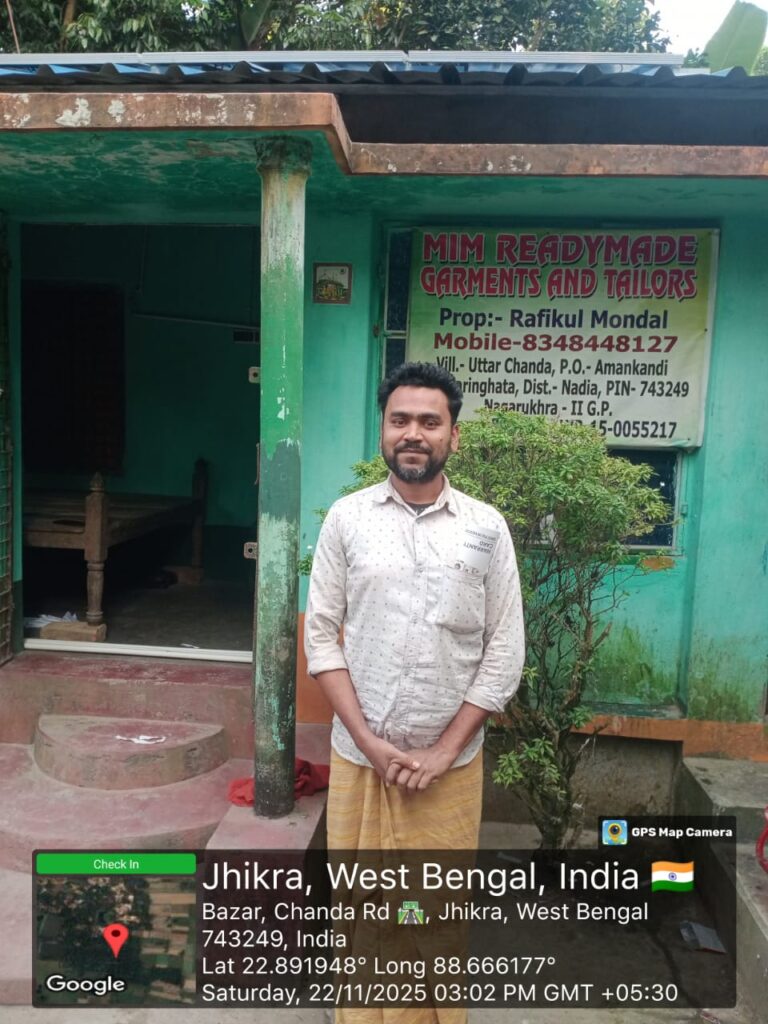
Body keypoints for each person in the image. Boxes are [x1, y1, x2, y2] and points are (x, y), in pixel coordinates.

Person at [305, 360, 525, 850]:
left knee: (435, 895)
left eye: (430, 422)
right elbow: (320, 638)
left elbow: (505, 648)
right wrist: (368, 742)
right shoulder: (346, 519)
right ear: (383, 430)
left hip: (449, 768)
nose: (413, 434)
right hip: (360, 758)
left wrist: (444, 751)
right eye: (399, 420)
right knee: (357, 892)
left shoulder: (486, 527)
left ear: (454, 436)